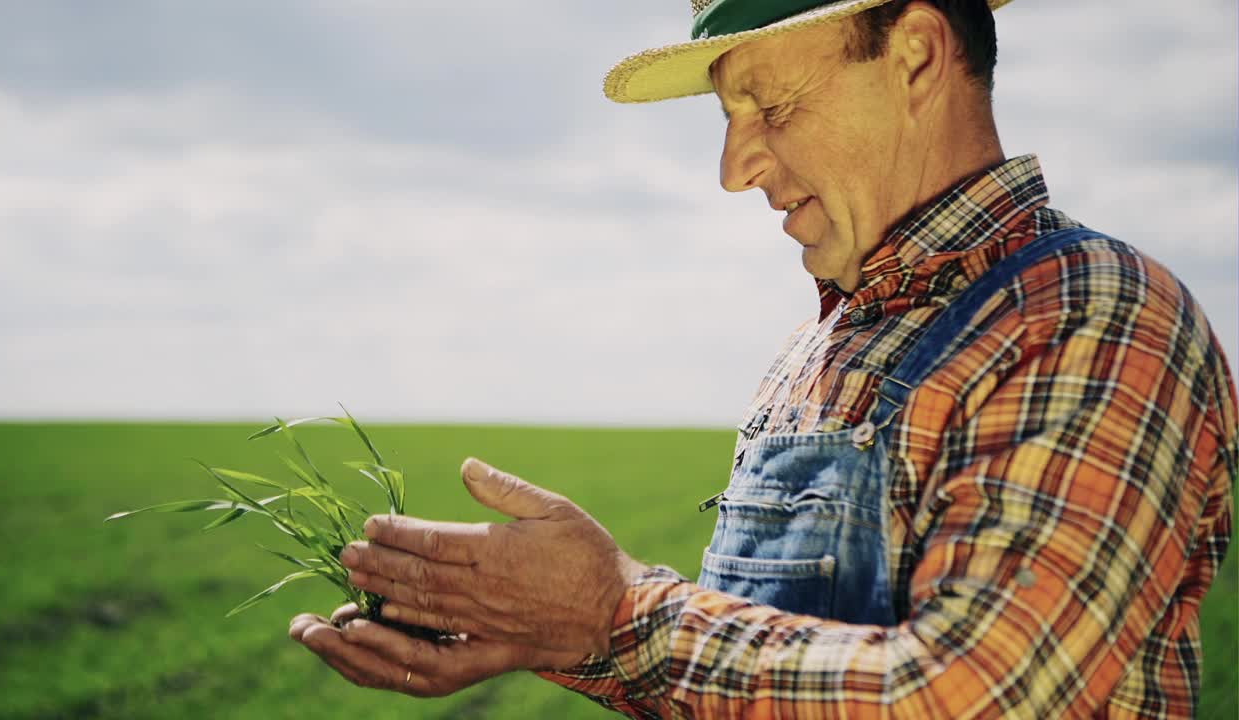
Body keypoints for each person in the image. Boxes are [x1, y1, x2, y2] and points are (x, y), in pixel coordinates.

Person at [289, 0, 1238, 716]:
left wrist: (614, 616)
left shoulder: (1091, 315)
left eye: (770, 104)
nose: (733, 167)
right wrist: (543, 628)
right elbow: (757, 664)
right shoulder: (815, 348)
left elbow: (975, 693)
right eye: (726, 117)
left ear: (914, 57)